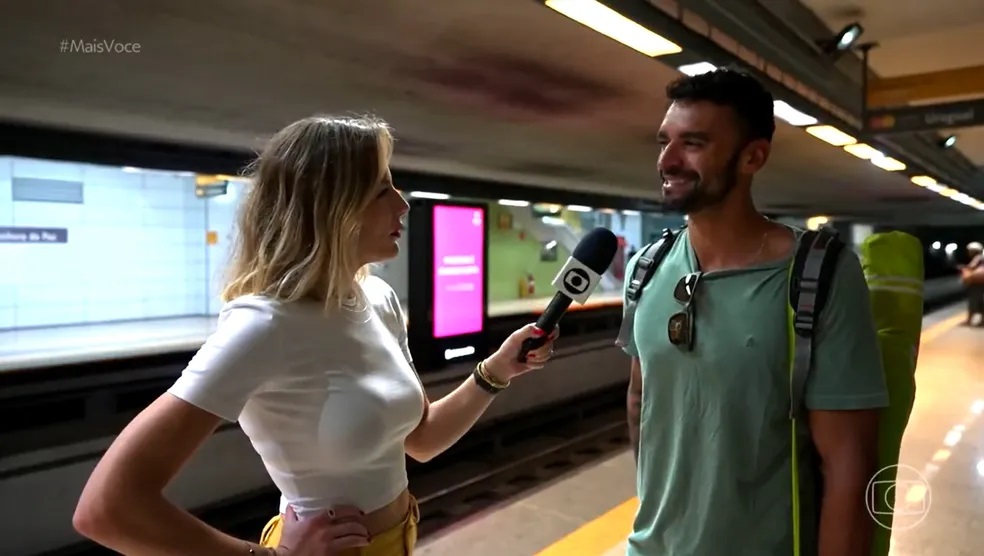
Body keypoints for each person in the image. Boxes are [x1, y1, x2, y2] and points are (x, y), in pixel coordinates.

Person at [72, 115, 559, 556]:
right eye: (380, 190)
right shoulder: (263, 326)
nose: (403, 204)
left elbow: (421, 441)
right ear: (331, 208)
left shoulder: (378, 300)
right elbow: (108, 507)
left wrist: (496, 370)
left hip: (400, 538)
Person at [620, 68, 888, 556]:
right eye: (664, 141)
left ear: (752, 156)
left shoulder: (817, 275)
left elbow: (849, 465)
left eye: (693, 144)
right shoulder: (647, 266)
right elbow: (641, 401)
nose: (668, 160)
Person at [960, 241, 984, 325]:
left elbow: (971, 267)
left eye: (970, 250)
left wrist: (963, 268)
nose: (968, 253)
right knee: (980, 301)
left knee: (973, 301)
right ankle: (982, 320)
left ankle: (969, 320)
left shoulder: (978, 258)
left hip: (977, 282)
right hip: (981, 281)